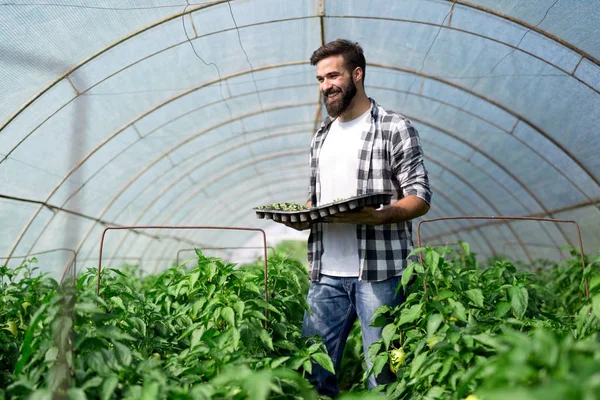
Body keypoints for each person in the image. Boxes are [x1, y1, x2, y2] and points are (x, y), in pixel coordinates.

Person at [280, 39, 432, 397]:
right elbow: (318, 201)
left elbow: (420, 195)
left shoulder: (394, 127)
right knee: (311, 372)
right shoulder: (322, 137)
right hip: (325, 275)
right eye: (320, 79)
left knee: (387, 374)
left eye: (333, 76)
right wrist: (305, 217)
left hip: (381, 275)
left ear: (357, 74)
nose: (325, 86)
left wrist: (382, 216)